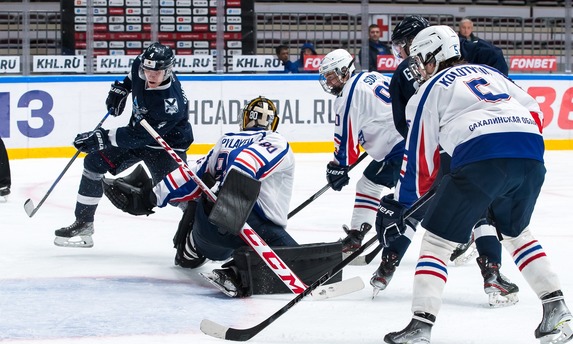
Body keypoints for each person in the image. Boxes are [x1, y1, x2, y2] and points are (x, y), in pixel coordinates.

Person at [380, 25, 572, 344]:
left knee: (437, 243)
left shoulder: (429, 89)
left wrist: (404, 203)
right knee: (516, 232)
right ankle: (556, 310)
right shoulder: (489, 72)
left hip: (483, 158)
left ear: (433, 56)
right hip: (529, 153)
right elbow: (535, 110)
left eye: (420, 59)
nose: (418, 67)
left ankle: (420, 327)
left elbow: (420, 158)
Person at [102, 97, 343, 298]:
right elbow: (246, 165)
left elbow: (190, 175)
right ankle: (238, 273)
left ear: (246, 118)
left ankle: (190, 250)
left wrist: (151, 198)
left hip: (206, 231)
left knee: (198, 197)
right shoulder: (275, 140)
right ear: (273, 122)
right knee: (301, 264)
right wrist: (228, 198)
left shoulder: (226, 139)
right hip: (238, 225)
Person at [381, 14, 517, 307]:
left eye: (405, 45)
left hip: (434, 149)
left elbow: (403, 127)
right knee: (481, 209)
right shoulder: (460, 55)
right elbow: (494, 60)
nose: (404, 53)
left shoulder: (403, 75)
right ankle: (492, 273)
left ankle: (387, 264)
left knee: (416, 210)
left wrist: (427, 146)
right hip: (468, 145)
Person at [53, 42, 193, 248]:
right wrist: (122, 89)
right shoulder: (140, 65)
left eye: (157, 72)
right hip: (139, 135)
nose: (151, 76)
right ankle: (84, 223)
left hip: (166, 145)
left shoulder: (170, 104)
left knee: (173, 194)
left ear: (169, 70)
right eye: (147, 70)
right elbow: (132, 78)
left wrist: (99, 137)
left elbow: (139, 136)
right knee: (93, 163)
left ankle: (205, 227)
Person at [319, 49, 404, 259]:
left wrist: (339, 166)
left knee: (415, 201)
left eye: (331, 76)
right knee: (368, 184)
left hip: (396, 151)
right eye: (326, 77)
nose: (329, 82)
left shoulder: (347, 95)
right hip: (405, 139)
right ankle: (356, 236)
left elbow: (345, 137)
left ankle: (459, 234)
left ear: (344, 70)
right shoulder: (371, 76)